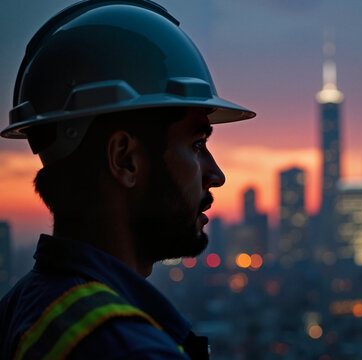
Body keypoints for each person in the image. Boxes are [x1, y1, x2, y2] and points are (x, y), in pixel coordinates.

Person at [0, 0, 255, 359]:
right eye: (197, 144)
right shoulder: (126, 348)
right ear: (125, 160)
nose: (216, 175)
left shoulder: (25, 308)